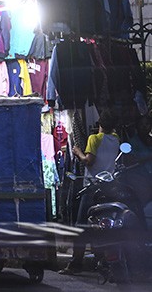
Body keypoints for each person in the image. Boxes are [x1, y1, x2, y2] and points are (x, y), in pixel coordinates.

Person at [60, 110, 121, 275]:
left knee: (82, 226)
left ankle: (75, 264)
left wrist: (77, 151)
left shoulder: (94, 139)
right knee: (103, 225)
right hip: (108, 187)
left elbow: (89, 161)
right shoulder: (116, 140)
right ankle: (102, 261)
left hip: (92, 187)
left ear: (99, 124)